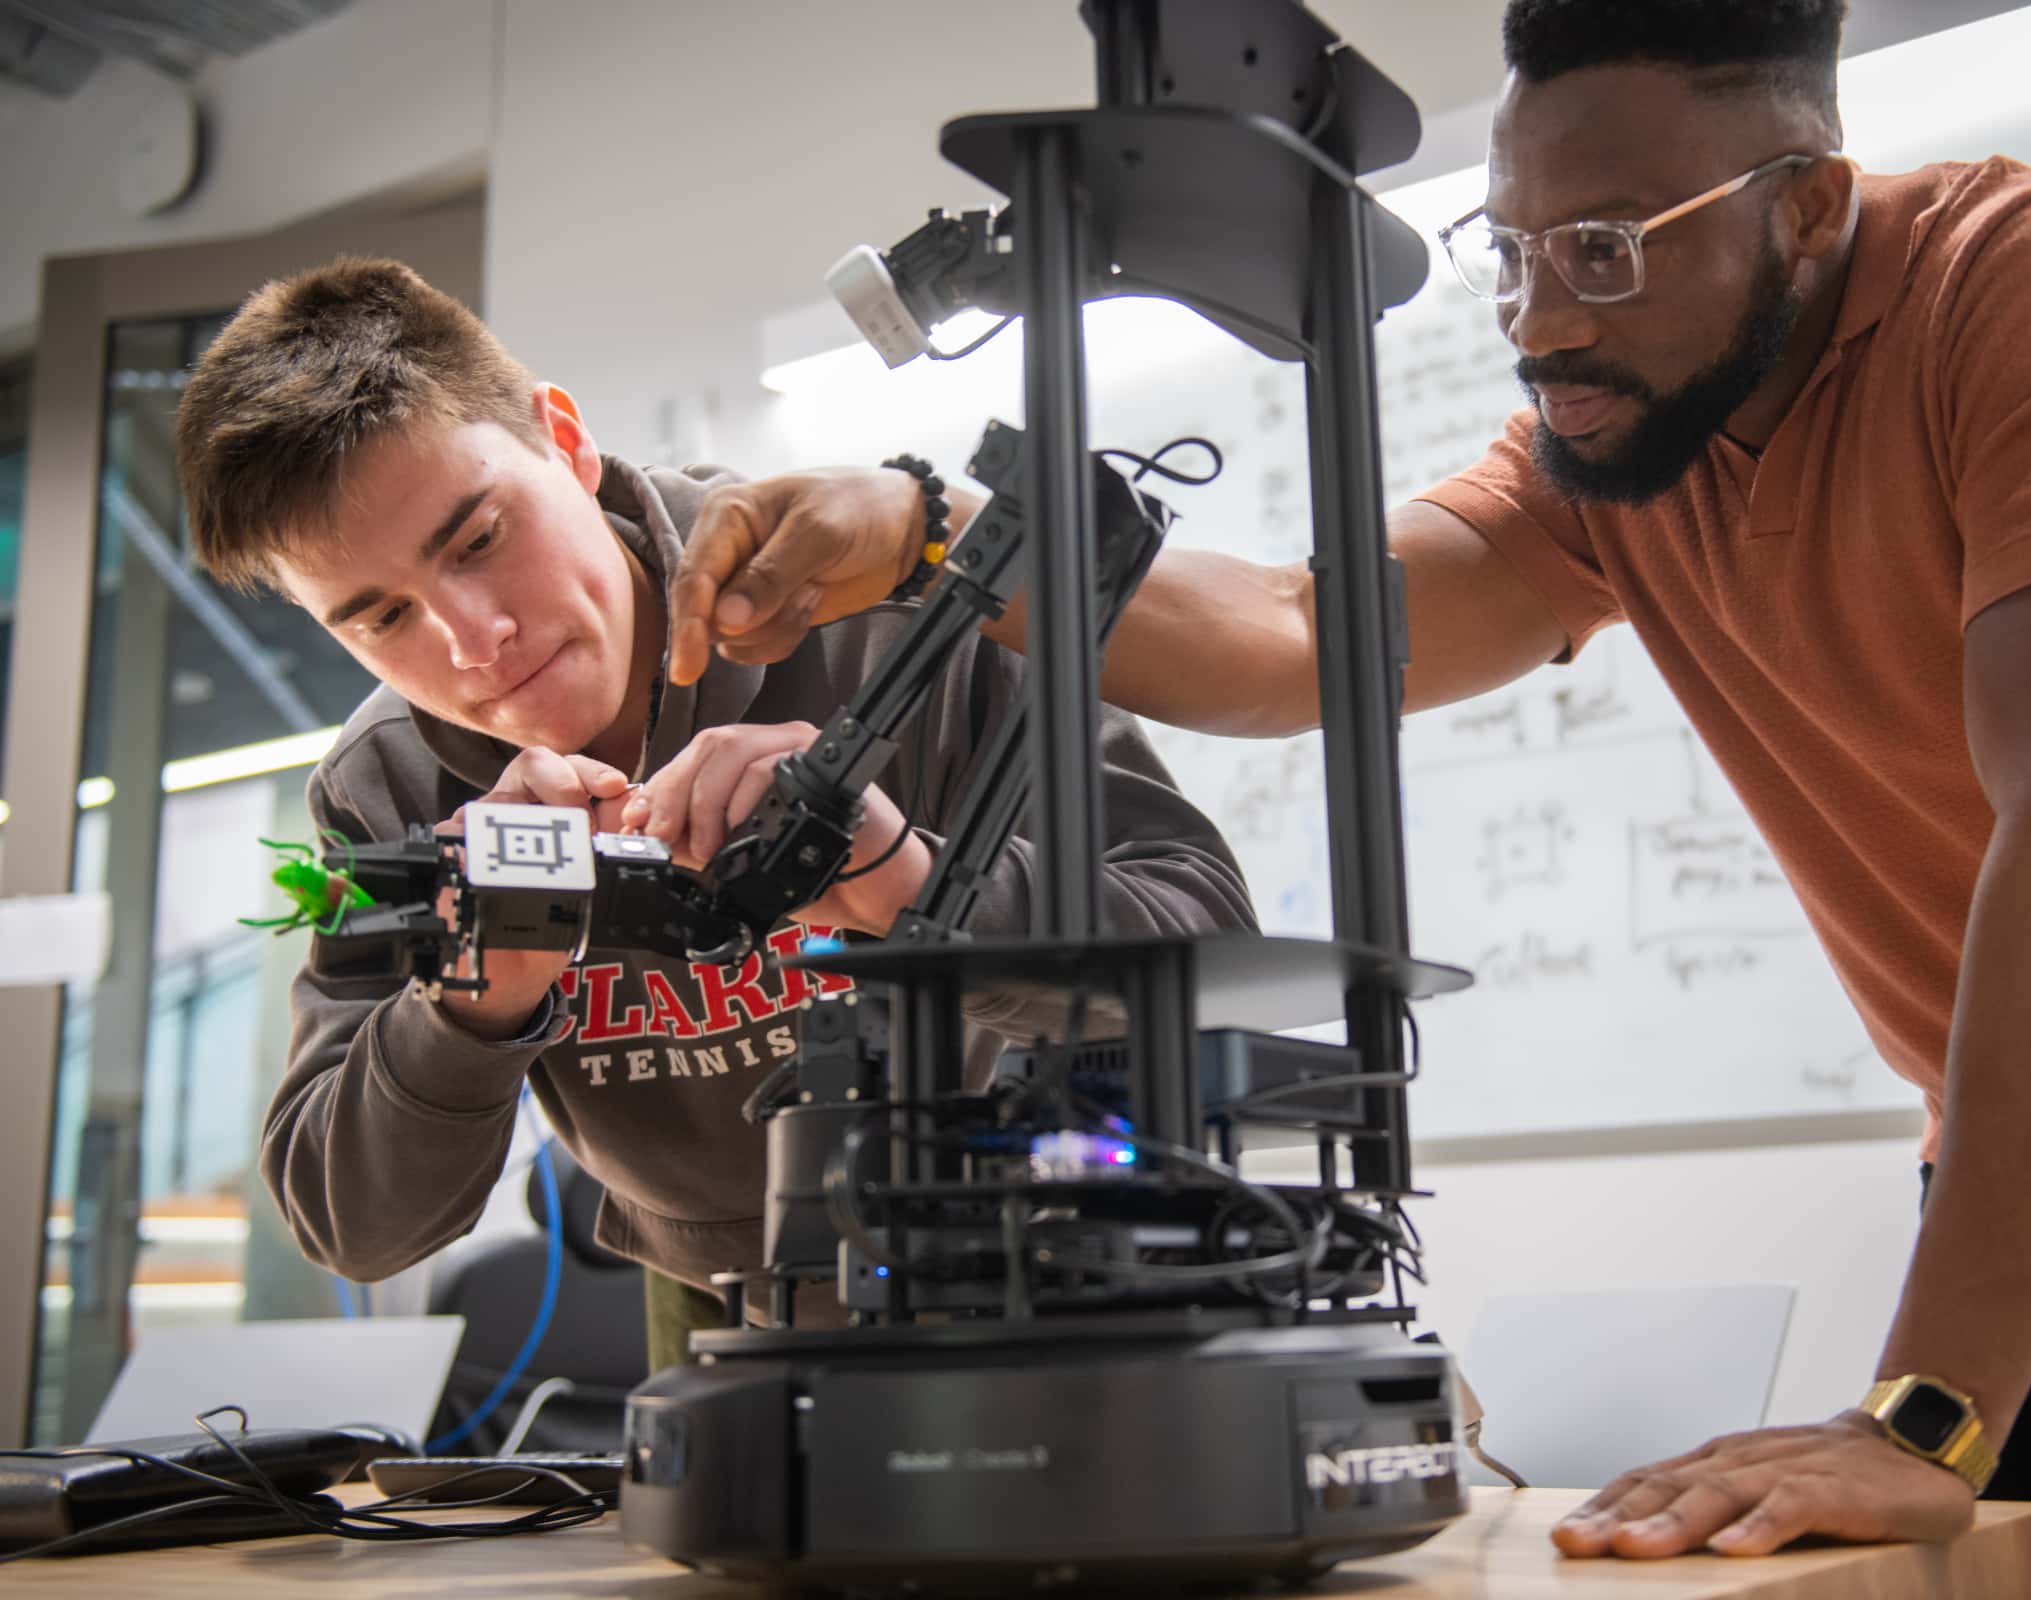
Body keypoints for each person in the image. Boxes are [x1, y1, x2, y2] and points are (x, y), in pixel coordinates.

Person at [653, 2, 2031, 1593]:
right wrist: (933, 527)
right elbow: (1293, 635)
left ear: (1803, 206)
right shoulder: (1618, 451)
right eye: (1513, 250)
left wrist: (1923, 1415)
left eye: (1611, 250)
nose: (1545, 318)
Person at [176, 258, 1255, 1374]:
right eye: (383, 615)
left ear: (564, 440)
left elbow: (1209, 943)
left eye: (480, 539)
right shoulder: (386, 783)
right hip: (720, 1303)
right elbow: (353, 1224)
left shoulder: (898, 617)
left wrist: (902, 880)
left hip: (1059, 1270)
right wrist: (474, 1006)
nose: (471, 638)